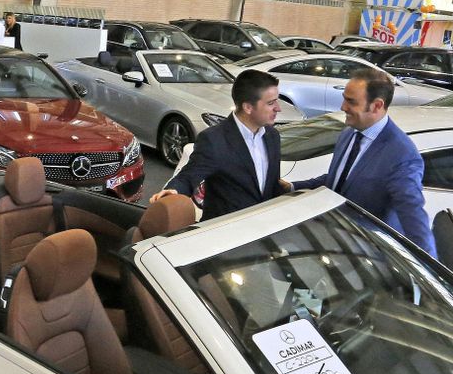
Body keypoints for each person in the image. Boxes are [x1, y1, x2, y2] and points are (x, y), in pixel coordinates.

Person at [291, 70, 433, 253]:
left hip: (368, 255)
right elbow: (340, 181)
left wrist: (428, 265)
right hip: (333, 243)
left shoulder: (401, 155)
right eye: (344, 99)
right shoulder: (350, 133)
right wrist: (293, 187)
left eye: (351, 101)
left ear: (376, 105)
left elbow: (413, 215)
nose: (343, 107)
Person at [156, 70, 285, 220]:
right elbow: (189, 176)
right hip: (226, 230)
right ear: (248, 107)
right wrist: (173, 191)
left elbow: (272, 187)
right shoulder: (214, 140)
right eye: (271, 103)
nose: (278, 108)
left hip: (263, 227)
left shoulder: (272, 136)